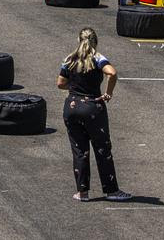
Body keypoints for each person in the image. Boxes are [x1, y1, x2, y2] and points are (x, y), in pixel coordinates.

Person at [56, 27, 130, 203]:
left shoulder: (69, 59)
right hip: (93, 107)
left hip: (72, 107)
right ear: (95, 41)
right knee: (102, 149)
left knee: (79, 150)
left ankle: (82, 192)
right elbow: (112, 73)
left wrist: (75, 87)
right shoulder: (98, 58)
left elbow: (60, 83)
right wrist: (108, 93)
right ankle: (111, 190)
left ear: (78, 40)